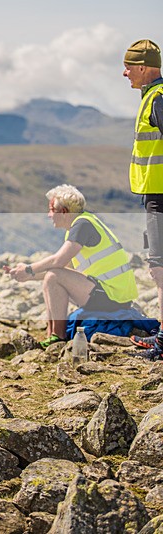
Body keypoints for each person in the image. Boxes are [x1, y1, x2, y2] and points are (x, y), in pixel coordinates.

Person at [7, 185, 138, 348]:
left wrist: (28, 268)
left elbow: (58, 262)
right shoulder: (80, 225)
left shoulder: (82, 224)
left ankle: (58, 337)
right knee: (52, 276)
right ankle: (51, 336)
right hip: (112, 294)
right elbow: (66, 268)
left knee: (54, 276)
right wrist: (28, 276)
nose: (49, 215)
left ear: (63, 211)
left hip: (113, 296)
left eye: (51, 210)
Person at [121, 40, 163, 358]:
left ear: (145, 67)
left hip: (161, 198)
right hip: (155, 196)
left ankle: (162, 343)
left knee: (160, 269)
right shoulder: (152, 96)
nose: (125, 73)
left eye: (129, 67)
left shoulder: (158, 98)